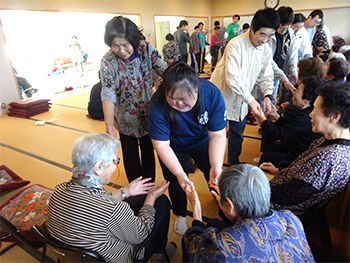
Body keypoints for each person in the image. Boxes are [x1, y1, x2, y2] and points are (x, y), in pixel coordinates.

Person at [47, 133, 176, 262]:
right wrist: (151, 197)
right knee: (162, 202)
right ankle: (159, 253)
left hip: (71, 256)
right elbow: (141, 234)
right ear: (99, 167)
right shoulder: (113, 209)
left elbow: (95, 199)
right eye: (115, 161)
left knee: (138, 199)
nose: (116, 166)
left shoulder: (58, 190)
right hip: (119, 258)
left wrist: (126, 192)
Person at [148, 62, 227, 235]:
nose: (178, 103)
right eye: (173, 98)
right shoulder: (157, 104)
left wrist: (217, 166)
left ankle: (224, 210)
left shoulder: (211, 93)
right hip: (173, 147)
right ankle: (180, 214)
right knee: (176, 181)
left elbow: (217, 135)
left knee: (215, 174)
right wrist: (179, 172)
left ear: (197, 89)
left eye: (185, 98)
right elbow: (161, 145)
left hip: (202, 141)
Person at [182, 164, 315, 262]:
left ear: (229, 205)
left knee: (195, 235)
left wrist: (196, 207)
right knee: (214, 223)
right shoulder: (291, 218)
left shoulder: (223, 248)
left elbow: (193, 246)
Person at [260, 81, 350, 217]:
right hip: (281, 195)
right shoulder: (333, 142)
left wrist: (258, 189)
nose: (310, 114)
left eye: (315, 110)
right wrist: (280, 170)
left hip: (281, 213)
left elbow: (289, 196)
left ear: (334, 117)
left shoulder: (329, 158)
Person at [101, 16, 166, 184]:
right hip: (124, 116)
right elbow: (108, 91)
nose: (121, 50)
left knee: (148, 150)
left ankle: (149, 184)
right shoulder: (108, 61)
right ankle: (135, 188)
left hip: (148, 112)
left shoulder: (146, 49)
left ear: (134, 40)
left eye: (125, 45)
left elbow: (164, 70)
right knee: (130, 154)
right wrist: (109, 125)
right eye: (115, 45)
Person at [211, 8, 280, 165]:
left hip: (242, 98)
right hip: (221, 94)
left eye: (270, 35)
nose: (265, 40)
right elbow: (232, 78)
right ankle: (209, 164)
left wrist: (267, 96)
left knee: (237, 132)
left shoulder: (266, 49)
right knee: (214, 132)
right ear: (253, 29)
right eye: (262, 34)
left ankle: (233, 163)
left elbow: (266, 75)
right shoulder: (235, 44)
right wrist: (251, 100)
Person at [254, 76, 323, 167]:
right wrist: (276, 116)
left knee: (266, 156)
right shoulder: (306, 110)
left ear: (306, 100)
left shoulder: (305, 118)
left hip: (300, 155)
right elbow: (289, 127)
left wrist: (262, 118)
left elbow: (279, 134)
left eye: (297, 90)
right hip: (294, 146)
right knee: (270, 147)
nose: (294, 93)